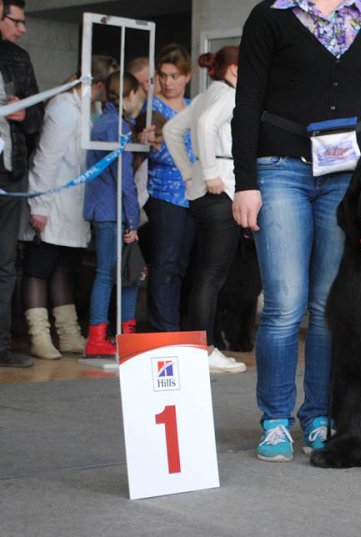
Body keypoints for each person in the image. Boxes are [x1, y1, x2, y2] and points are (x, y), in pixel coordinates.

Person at [232, 0, 361, 462]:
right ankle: (275, 419)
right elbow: (246, 102)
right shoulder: (271, 16)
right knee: (284, 303)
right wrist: (244, 183)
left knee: (329, 305)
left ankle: (320, 415)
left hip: (346, 174)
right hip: (279, 167)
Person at [19, 56, 116, 360]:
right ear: (97, 85)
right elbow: (45, 160)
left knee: (65, 268)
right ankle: (39, 335)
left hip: (76, 207)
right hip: (54, 202)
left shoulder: (91, 110)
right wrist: (40, 205)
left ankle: (68, 332)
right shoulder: (63, 106)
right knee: (39, 269)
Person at [163, 46, 246, 374]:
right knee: (213, 275)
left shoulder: (204, 95)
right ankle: (205, 348)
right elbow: (208, 125)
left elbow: (172, 130)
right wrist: (209, 171)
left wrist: (190, 171)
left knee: (205, 275)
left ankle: (199, 346)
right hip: (220, 187)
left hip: (201, 192)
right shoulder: (227, 96)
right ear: (236, 70)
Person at [83, 72, 145, 356]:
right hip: (113, 211)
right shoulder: (117, 127)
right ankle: (110, 336)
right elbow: (125, 181)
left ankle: (103, 334)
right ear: (130, 95)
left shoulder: (102, 122)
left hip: (101, 208)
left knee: (109, 273)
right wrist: (133, 220)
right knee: (117, 274)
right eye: (140, 96)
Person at [0, 0, 43, 368]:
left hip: (9, 172)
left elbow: (37, 116)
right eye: (16, 21)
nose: (22, 28)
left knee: (5, 262)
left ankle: (0, 347)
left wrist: (25, 114)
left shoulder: (20, 59)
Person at [142, 44, 195, 332]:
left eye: (174, 75)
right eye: (163, 75)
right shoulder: (150, 106)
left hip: (192, 195)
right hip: (162, 192)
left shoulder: (192, 106)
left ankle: (179, 329)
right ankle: (164, 331)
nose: (168, 82)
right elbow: (145, 152)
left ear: (187, 76)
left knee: (183, 265)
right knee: (165, 264)